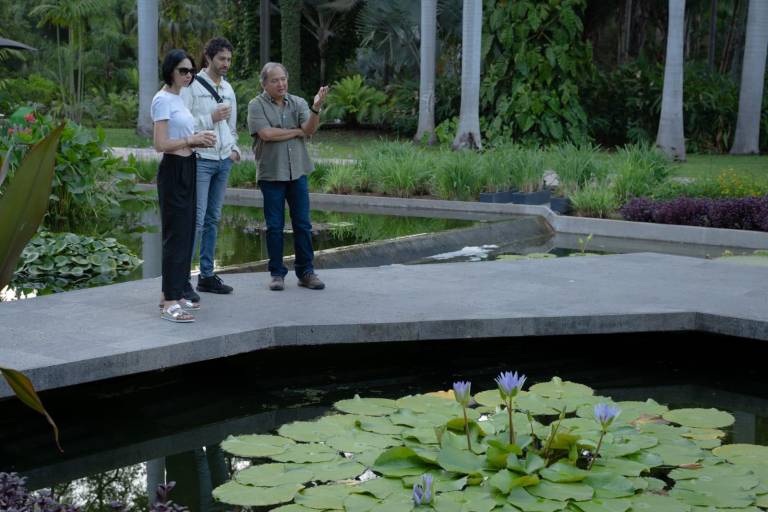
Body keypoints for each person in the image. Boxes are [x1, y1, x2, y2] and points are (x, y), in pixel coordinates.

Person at [247, 62, 329, 291]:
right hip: (271, 174)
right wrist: (296, 132)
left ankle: (306, 272)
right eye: (275, 80)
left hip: (298, 171)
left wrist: (316, 107)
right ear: (264, 83)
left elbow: (310, 129)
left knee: (303, 224)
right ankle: (276, 274)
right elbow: (266, 134)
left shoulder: (299, 102)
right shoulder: (256, 105)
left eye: (283, 79)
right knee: (274, 226)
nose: (281, 84)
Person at [152, 49, 216, 322]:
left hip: (189, 166)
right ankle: (168, 302)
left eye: (191, 71)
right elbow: (160, 144)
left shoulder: (179, 98)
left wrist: (198, 138)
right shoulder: (162, 99)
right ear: (170, 71)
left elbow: (182, 136)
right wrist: (192, 140)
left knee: (188, 233)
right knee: (175, 237)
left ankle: (176, 294)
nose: (189, 75)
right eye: (183, 71)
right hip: (174, 170)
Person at [181, 37, 240, 298]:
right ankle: (182, 279)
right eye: (221, 59)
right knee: (197, 219)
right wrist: (210, 117)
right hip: (201, 160)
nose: (226, 64)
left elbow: (233, 126)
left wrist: (234, 150)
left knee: (213, 219)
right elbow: (183, 123)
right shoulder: (191, 86)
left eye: (229, 59)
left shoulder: (228, 89)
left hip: (223, 161)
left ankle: (206, 276)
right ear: (208, 58)